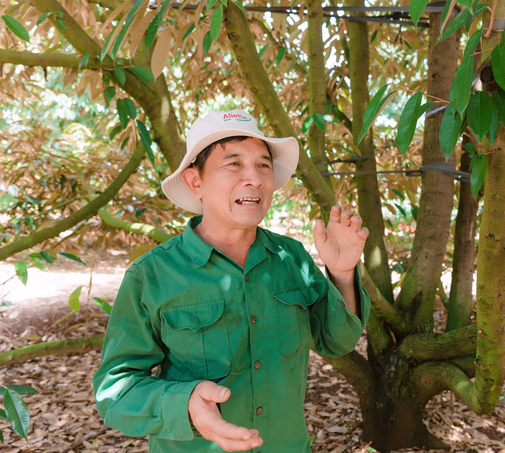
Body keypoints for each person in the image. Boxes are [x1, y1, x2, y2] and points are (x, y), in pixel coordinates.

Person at [93, 109, 371, 453]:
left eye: (264, 165)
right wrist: (186, 403)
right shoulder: (152, 275)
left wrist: (342, 274)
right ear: (196, 181)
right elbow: (115, 390)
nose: (254, 178)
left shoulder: (291, 258)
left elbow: (337, 341)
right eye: (234, 164)